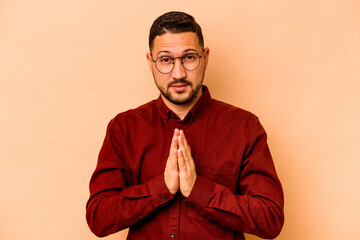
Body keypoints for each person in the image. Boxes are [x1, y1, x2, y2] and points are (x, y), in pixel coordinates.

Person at [86, 11, 284, 240]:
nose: (178, 73)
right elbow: (98, 218)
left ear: (205, 57)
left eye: (189, 57)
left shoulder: (245, 127)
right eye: (166, 60)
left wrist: (197, 190)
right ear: (151, 63)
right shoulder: (123, 128)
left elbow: (270, 220)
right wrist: (161, 188)